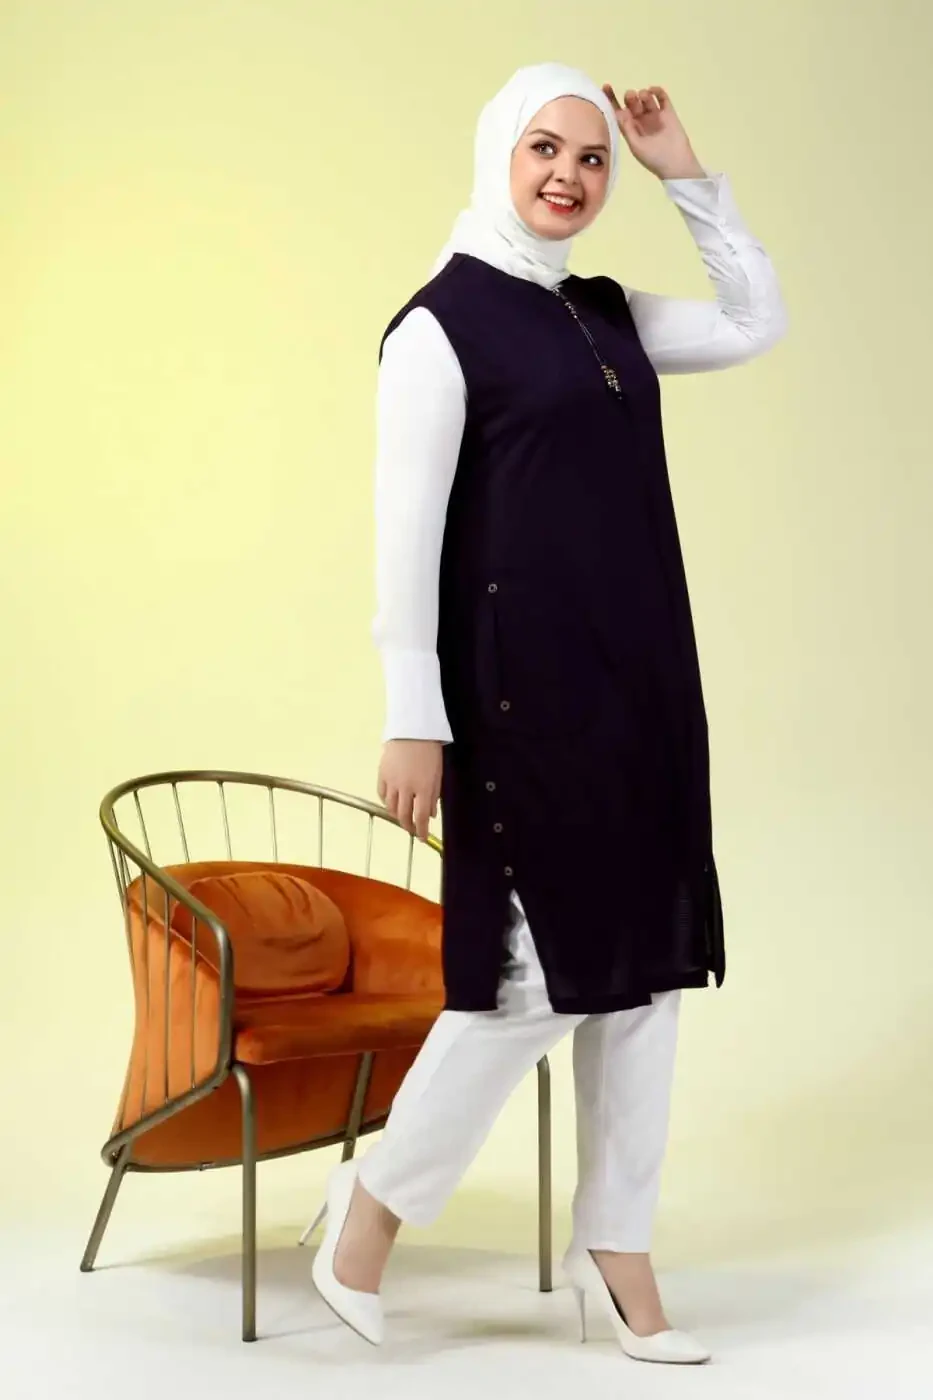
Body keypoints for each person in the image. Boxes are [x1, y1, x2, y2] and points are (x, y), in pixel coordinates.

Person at [308, 61, 787, 1361]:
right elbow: (405, 538)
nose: (569, 176)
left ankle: (617, 1252)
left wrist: (685, 173)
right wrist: (414, 715)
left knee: (647, 978)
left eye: (592, 159)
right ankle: (370, 1209)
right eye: (544, 149)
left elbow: (756, 319)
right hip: (521, 699)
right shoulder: (440, 327)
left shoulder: (605, 312)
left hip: (640, 687)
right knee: (532, 980)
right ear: (497, 154)